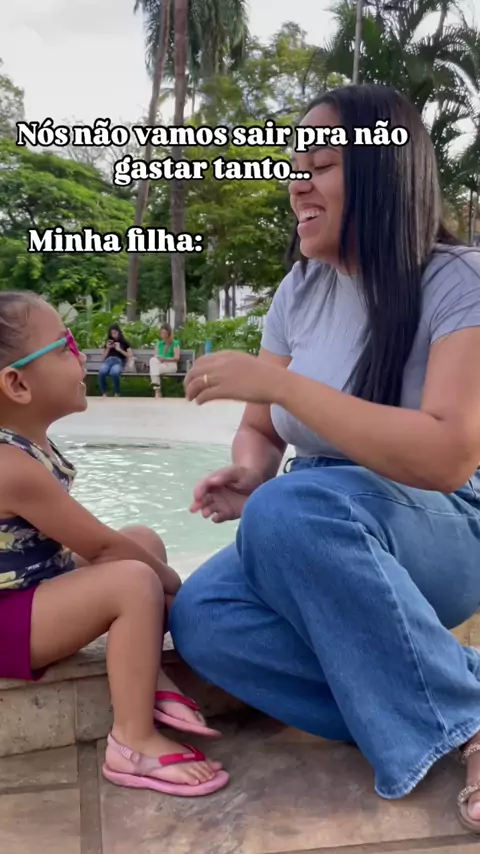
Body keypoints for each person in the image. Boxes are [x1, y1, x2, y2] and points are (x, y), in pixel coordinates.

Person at [170, 84, 480, 831]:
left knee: (292, 505)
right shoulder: (300, 288)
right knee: (203, 615)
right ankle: (423, 700)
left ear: (382, 173)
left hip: (443, 525)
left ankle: (465, 720)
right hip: (319, 516)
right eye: (293, 166)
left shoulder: (458, 279)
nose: (296, 183)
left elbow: (447, 457)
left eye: (321, 165)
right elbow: (261, 429)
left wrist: (284, 388)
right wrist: (251, 471)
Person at [0, 291, 228, 797]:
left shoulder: (27, 446)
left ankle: (143, 680)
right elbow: (102, 549)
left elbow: (100, 543)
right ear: (17, 384)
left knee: (141, 539)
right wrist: (175, 586)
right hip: (5, 624)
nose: (81, 353)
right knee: (134, 581)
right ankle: (132, 742)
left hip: (32, 589)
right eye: (65, 345)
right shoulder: (9, 465)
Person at [98, 323, 132, 398]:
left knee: (114, 372)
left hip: (118, 361)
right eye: (112, 333)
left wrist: (119, 349)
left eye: (115, 332)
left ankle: (117, 393)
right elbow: (102, 358)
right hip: (108, 361)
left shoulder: (124, 342)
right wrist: (108, 348)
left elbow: (130, 356)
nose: (113, 335)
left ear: (119, 332)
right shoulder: (108, 342)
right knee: (102, 371)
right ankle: (104, 393)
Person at [149, 323, 180, 399]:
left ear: (169, 334)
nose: (163, 335)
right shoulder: (159, 344)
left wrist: (165, 359)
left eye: (165, 333)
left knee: (153, 370)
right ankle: (157, 391)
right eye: (162, 333)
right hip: (161, 365)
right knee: (153, 360)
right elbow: (156, 356)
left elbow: (177, 358)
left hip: (171, 365)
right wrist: (161, 360)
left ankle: (157, 391)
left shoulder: (175, 343)